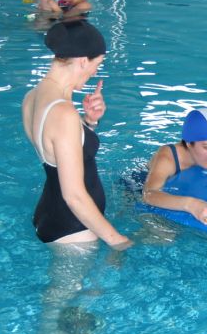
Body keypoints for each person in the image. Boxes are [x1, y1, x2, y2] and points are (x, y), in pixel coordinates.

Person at [22, 20, 132, 249]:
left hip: (49, 212)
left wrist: (88, 122)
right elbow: (74, 196)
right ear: (83, 61)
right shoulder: (63, 113)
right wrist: (117, 240)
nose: (95, 72)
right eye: (97, 64)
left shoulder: (32, 97)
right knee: (71, 287)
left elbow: (54, 148)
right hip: (73, 230)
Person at [143, 108, 207, 227]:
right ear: (189, 143)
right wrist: (191, 204)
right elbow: (149, 194)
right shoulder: (168, 159)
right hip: (140, 188)